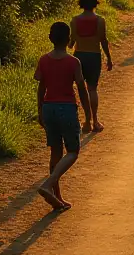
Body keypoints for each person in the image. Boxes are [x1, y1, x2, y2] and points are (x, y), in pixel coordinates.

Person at [34, 21, 92, 211]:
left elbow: (41, 88)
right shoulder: (73, 62)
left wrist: (39, 111)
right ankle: (48, 184)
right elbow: (82, 89)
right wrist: (88, 115)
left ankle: (56, 198)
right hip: (66, 108)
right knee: (73, 151)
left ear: (50, 38)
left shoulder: (43, 60)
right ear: (68, 40)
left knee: (55, 153)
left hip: (48, 108)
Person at [69, 0, 112, 133]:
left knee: (81, 90)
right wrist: (109, 57)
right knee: (92, 89)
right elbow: (103, 41)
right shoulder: (100, 21)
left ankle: (86, 122)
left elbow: (71, 42)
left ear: (80, 2)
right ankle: (95, 121)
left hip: (79, 57)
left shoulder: (75, 20)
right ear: (96, 2)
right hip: (94, 56)